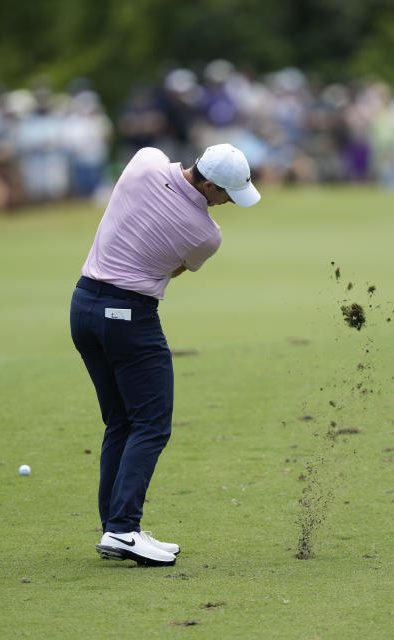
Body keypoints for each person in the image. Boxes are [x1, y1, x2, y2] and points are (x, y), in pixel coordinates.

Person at [70, 143, 260, 566]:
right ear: (209, 184)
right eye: (226, 193)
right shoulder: (206, 235)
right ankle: (122, 529)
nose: (227, 202)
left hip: (82, 306)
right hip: (130, 318)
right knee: (152, 424)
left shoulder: (143, 161)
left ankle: (115, 527)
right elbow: (170, 268)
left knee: (121, 421)